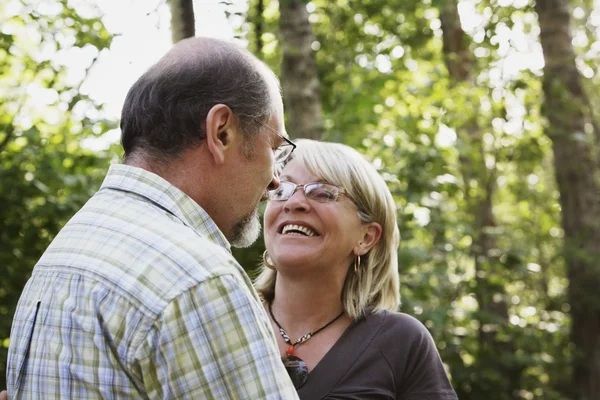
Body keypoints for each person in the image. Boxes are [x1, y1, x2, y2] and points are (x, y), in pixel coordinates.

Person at [5, 37, 299, 399]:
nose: (275, 180)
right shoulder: (198, 279)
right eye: (275, 148)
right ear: (222, 132)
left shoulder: (65, 252)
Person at [256, 139, 458, 399]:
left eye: (323, 192)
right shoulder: (223, 316)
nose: (293, 202)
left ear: (366, 238)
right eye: (282, 188)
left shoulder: (401, 342)